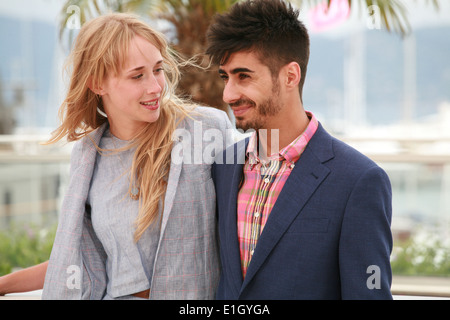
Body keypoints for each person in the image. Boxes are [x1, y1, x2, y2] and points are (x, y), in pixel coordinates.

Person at [0, 12, 234, 300]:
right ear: (98, 84)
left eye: (158, 69)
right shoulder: (88, 156)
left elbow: (245, 230)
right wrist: (3, 285)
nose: (155, 87)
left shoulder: (208, 128)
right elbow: (74, 261)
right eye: (138, 75)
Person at [206, 0, 393, 299]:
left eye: (244, 76)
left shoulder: (359, 181)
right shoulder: (222, 167)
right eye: (225, 77)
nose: (228, 94)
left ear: (290, 76)